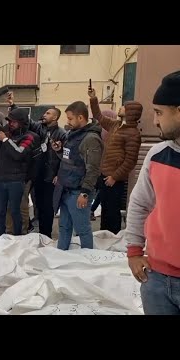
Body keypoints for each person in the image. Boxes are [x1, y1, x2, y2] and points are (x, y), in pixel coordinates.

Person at [125, 70, 180, 315]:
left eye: (159, 112)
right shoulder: (158, 154)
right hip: (157, 280)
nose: (155, 121)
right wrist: (135, 252)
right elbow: (139, 204)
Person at [88, 88, 142, 234]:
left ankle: (113, 237)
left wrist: (115, 177)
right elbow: (99, 116)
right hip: (104, 175)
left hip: (114, 179)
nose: (120, 107)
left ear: (130, 112)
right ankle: (104, 235)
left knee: (112, 212)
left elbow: (130, 161)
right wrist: (93, 98)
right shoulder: (115, 125)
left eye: (124, 107)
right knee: (105, 209)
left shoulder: (133, 134)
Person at [53, 101, 103, 250]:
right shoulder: (72, 135)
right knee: (64, 226)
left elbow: (93, 169)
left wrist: (85, 193)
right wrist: (59, 151)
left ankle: (88, 260)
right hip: (66, 188)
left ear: (80, 118)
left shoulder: (91, 139)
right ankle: (61, 253)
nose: (67, 122)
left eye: (70, 118)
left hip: (78, 192)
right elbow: (70, 160)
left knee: (82, 230)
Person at [0, 108, 40, 237]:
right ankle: (1, 236)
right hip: (1, 179)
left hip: (16, 180)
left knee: (16, 210)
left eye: (14, 122)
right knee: (1, 211)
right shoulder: (7, 134)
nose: (10, 124)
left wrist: (5, 140)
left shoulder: (29, 137)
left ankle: (19, 236)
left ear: (22, 122)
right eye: (9, 121)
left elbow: (19, 153)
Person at [28, 107, 66, 239]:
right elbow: (29, 122)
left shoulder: (62, 133)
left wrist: (59, 174)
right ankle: (40, 232)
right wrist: (13, 105)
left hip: (51, 175)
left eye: (48, 113)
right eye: (45, 113)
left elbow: (65, 157)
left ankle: (46, 234)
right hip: (38, 173)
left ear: (55, 118)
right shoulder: (40, 128)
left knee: (48, 206)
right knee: (37, 202)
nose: (44, 115)